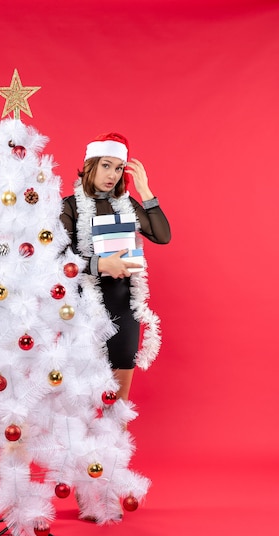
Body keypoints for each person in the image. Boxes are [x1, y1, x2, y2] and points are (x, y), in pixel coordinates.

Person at [61, 132, 171, 402]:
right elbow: (58, 256)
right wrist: (100, 264)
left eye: (119, 167)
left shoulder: (126, 205)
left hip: (124, 307)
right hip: (83, 311)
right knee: (80, 404)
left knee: (117, 404)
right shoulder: (70, 206)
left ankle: (116, 444)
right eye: (106, 165)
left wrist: (145, 191)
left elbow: (162, 235)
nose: (112, 174)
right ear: (91, 165)